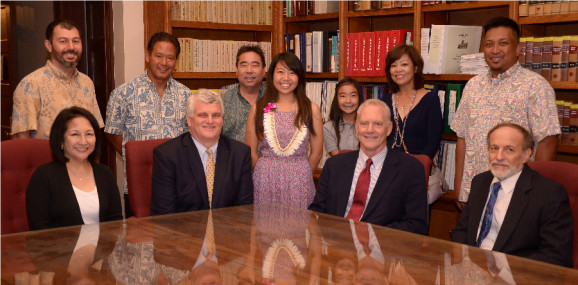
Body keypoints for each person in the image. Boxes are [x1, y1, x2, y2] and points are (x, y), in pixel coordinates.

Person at [451, 16, 560, 209]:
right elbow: (462, 137)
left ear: (518, 49)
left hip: (516, 197)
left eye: (503, 43)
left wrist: (535, 196)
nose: (495, 50)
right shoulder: (472, 86)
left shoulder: (536, 86)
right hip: (474, 193)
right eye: (489, 44)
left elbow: (547, 141)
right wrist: (460, 186)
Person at [451, 122, 573, 268]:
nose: (499, 156)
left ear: (526, 155)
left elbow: (556, 258)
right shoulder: (480, 182)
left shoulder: (549, 194)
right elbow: (462, 231)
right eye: (494, 148)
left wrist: (499, 270)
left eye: (509, 149)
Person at [309, 99, 428, 235]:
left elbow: (417, 225)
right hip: (336, 245)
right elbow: (316, 212)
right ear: (357, 128)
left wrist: (372, 237)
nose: (370, 130)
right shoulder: (334, 165)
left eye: (377, 124)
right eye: (364, 124)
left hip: (382, 250)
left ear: (389, 128)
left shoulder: (411, 170)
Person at [105, 32, 192, 216]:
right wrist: (135, 157)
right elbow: (112, 131)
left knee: (176, 239)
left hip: (177, 184)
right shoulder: (123, 93)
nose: (164, 63)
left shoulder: (187, 95)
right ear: (147, 56)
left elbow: (190, 137)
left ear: (176, 61)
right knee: (138, 238)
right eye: (158, 56)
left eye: (170, 58)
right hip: (138, 183)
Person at [150, 89, 253, 215]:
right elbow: (164, 215)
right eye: (202, 115)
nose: (210, 121)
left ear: (222, 119)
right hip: (182, 232)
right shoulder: (167, 155)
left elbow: (244, 210)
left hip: (227, 232)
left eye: (216, 115)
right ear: (189, 120)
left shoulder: (240, 154)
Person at [246, 52, 324, 209]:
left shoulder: (311, 109)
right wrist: (264, 172)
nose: (286, 78)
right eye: (280, 72)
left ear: (299, 77)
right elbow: (251, 151)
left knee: (298, 228)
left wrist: (301, 174)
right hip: (265, 180)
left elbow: (317, 152)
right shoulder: (259, 108)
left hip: (299, 181)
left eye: (292, 72)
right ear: (272, 75)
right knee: (265, 228)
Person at [26, 107, 122, 230]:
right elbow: (39, 230)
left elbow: (116, 223)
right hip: (58, 248)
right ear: (61, 139)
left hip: (102, 247)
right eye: (75, 134)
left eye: (89, 134)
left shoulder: (105, 174)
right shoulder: (43, 176)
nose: (83, 141)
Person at [11, 19, 104, 139]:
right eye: (63, 41)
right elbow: (21, 142)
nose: (71, 47)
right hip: (46, 158)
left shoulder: (86, 83)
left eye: (75, 41)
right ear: (49, 46)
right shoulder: (30, 85)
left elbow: (95, 131)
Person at [382, 44, 442, 160]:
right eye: (393, 65)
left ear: (415, 68)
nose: (398, 69)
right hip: (387, 166)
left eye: (404, 64)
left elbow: (433, 142)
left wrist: (418, 165)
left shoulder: (430, 100)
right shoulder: (385, 101)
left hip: (418, 167)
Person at [222, 45, 267, 143]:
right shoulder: (223, 102)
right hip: (234, 158)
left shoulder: (275, 97)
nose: (249, 70)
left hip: (270, 158)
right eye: (244, 65)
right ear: (237, 70)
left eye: (255, 65)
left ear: (263, 70)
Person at [323, 78, 364, 156]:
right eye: (343, 96)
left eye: (353, 95)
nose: (348, 101)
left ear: (359, 98)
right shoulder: (328, 127)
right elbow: (337, 160)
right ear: (336, 99)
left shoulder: (369, 125)